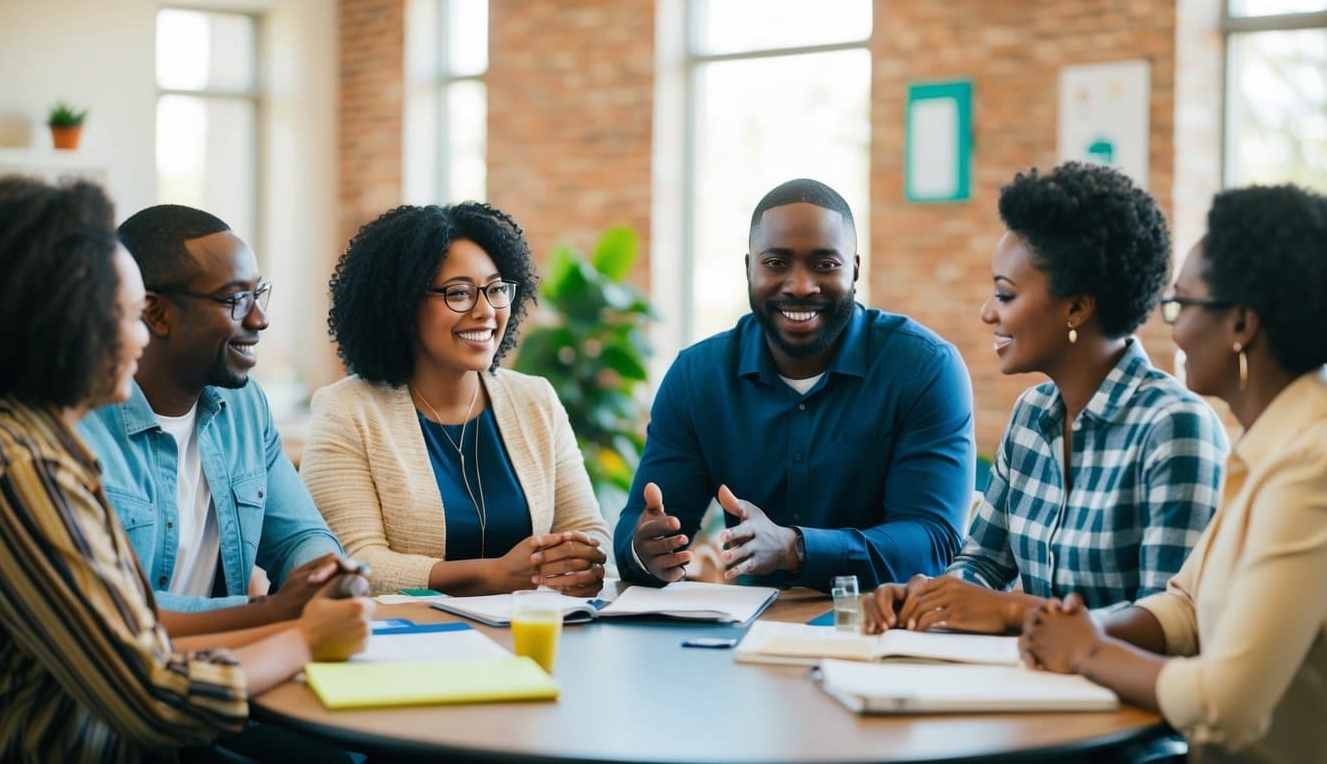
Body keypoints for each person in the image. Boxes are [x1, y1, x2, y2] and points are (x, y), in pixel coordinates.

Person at [0, 176, 373, 761]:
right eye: (123, 315)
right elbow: (154, 694)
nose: (137, 339)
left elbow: (136, 623)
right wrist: (303, 633)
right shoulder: (23, 466)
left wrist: (314, 593)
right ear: (68, 322)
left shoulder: (47, 448)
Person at [1020, 184, 1327, 761]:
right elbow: (1186, 604)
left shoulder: (1309, 468)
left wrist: (1088, 653)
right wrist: (1083, 628)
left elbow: (1224, 706)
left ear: (1241, 324)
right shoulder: (1267, 442)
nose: (1173, 328)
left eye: (1182, 305)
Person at [863, 162, 1226, 634]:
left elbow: (1171, 621)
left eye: (1005, 294)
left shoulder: (1175, 427)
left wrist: (1016, 612)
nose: (987, 312)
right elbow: (982, 563)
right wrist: (928, 600)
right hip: (1031, 686)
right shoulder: (1031, 414)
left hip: (1127, 701)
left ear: (1076, 307)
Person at [615, 178, 975, 592]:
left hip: (885, 628)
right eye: (776, 263)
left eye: (825, 265)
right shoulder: (698, 377)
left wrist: (797, 548)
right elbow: (638, 528)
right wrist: (645, 549)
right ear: (749, 268)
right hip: (745, 632)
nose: (801, 286)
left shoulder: (924, 368)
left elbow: (934, 541)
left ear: (855, 268)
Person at [300, 202, 611, 595]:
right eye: (459, 293)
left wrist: (580, 562)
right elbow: (357, 562)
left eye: (497, 289)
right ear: (403, 303)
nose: (486, 311)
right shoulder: (347, 411)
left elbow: (588, 531)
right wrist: (493, 575)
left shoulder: (535, 400)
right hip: (414, 645)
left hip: (534, 637)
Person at [78, 204, 345, 636]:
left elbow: (300, 537)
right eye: (236, 299)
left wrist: (323, 575)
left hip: (228, 664)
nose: (259, 318)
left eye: (257, 294)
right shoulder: (76, 430)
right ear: (157, 313)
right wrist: (275, 609)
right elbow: (113, 610)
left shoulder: (244, 407)